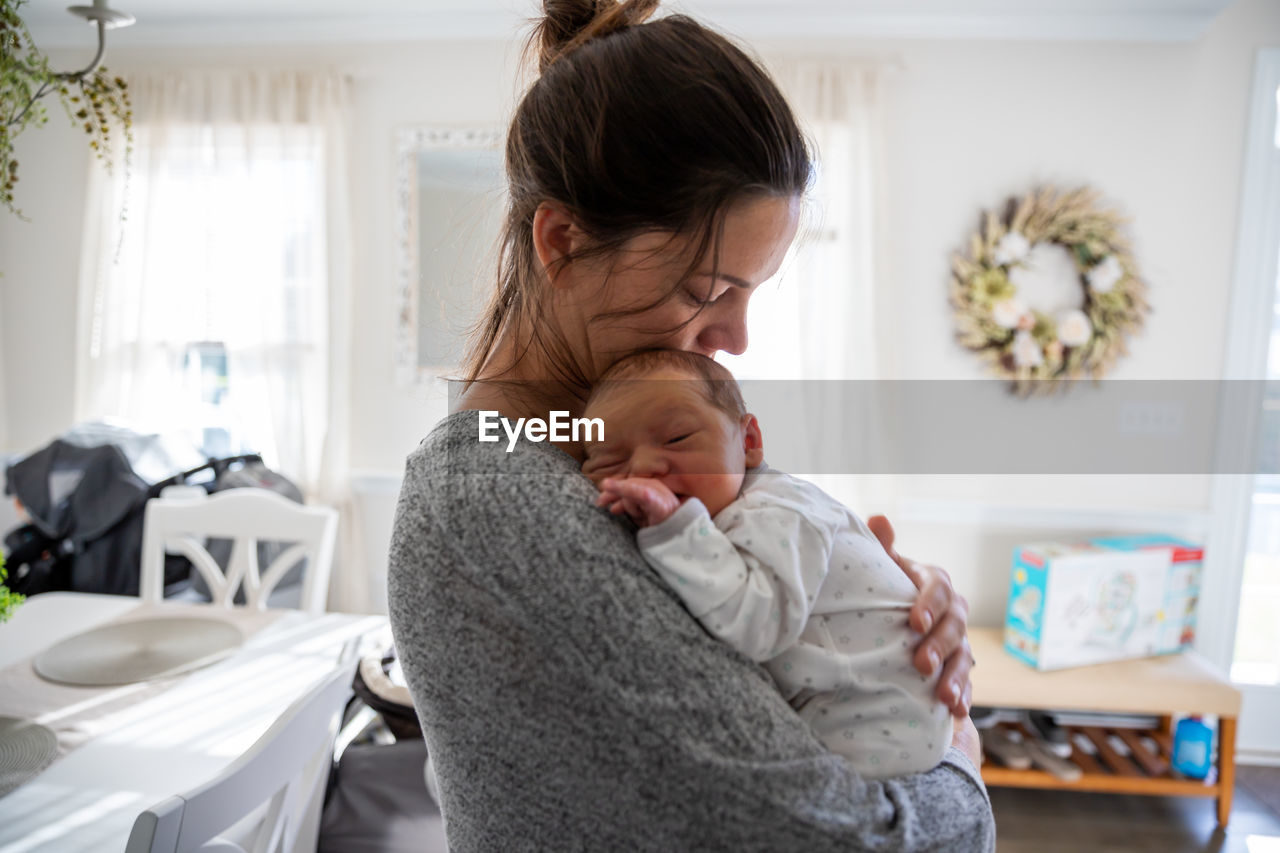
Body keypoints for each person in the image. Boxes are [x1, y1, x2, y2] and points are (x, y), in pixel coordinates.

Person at [387, 0, 994, 849]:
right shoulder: (497, 500)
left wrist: (881, 619)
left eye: (751, 294)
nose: (735, 338)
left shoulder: (577, 452)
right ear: (562, 242)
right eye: (706, 292)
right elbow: (848, 838)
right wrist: (960, 759)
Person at [582, 349, 953, 781]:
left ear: (749, 442)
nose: (645, 467)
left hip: (879, 722)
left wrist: (674, 528)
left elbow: (756, 626)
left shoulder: (776, 511)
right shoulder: (733, 511)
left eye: (677, 438)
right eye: (610, 460)